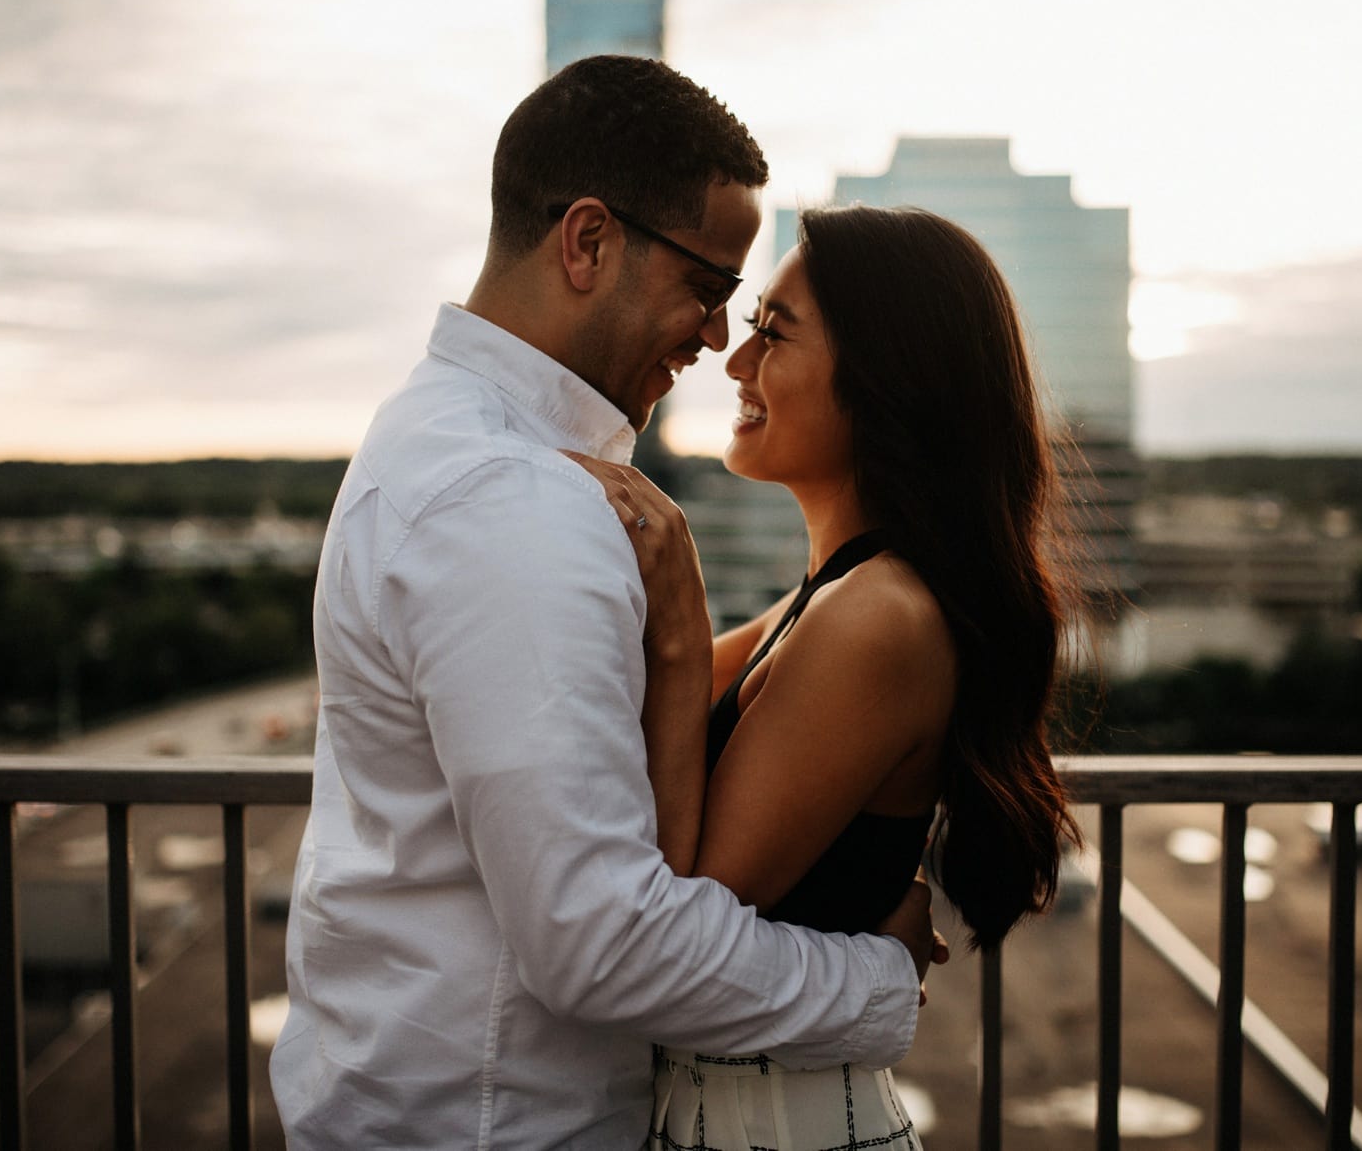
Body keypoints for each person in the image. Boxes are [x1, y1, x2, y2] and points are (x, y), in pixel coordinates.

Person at [268, 56, 940, 1150]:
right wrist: (878, 976)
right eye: (712, 290)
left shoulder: (442, 439)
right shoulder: (513, 498)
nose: (719, 341)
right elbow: (602, 945)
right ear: (588, 241)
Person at [570, 204, 1082, 1149]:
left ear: (885, 381)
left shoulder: (879, 617)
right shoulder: (828, 598)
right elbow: (627, 714)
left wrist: (683, 630)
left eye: (773, 332)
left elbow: (684, 919)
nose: (736, 362)